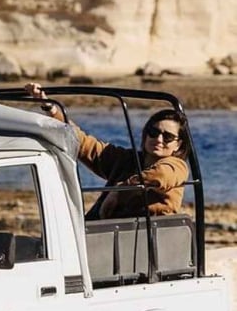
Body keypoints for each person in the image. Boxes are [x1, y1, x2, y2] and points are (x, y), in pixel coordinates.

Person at [24, 83, 190, 218]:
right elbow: (84, 143)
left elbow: (161, 176)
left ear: (179, 145)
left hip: (140, 239)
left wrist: (119, 192)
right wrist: (50, 108)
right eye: (153, 132)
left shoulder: (176, 165)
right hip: (105, 232)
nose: (158, 139)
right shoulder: (127, 160)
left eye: (167, 137)